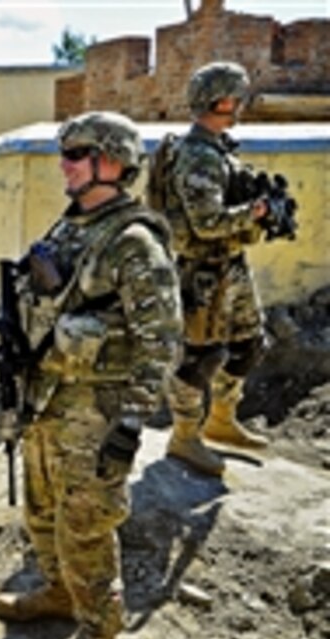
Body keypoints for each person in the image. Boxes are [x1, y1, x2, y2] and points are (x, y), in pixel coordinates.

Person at [0, 112, 181, 639]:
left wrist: (132, 424)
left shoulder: (134, 242)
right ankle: (57, 590)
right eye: (66, 153)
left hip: (96, 412)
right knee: (42, 510)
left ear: (112, 162)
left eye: (75, 153)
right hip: (47, 397)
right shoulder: (71, 227)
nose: (64, 164)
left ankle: (100, 633)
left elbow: (163, 341)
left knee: (86, 524)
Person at [156, 62, 272, 477]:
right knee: (198, 358)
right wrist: (253, 212)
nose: (240, 104)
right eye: (235, 97)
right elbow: (207, 223)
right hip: (201, 272)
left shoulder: (219, 148)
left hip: (230, 266)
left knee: (249, 342)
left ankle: (222, 419)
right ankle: (185, 436)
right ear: (220, 100)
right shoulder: (198, 156)